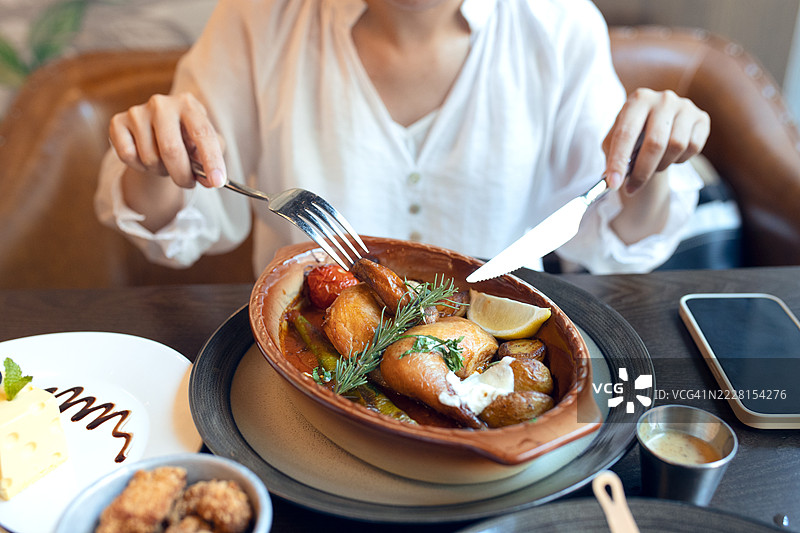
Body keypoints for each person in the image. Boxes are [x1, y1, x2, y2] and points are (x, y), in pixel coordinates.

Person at [96, 0, 709, 276]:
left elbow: (610, 236)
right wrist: (155, 162)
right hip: (302, 361)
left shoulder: (558, 25)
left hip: (501, 361)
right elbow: (189, 221)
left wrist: (651, 165)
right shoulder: (259, 18)